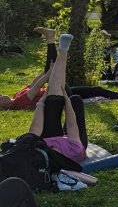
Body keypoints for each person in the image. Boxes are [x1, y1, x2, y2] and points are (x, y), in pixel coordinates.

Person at [28, 34, 88, 165]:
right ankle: (63, 51)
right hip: (72, 143)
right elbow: (72, 126)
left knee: (56, 94)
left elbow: (35, 129)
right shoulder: (75, 150)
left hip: (48, 142)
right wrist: (66, 99)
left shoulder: (38, 147)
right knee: (75, 99)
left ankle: (63, 51)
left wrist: (41, 102)